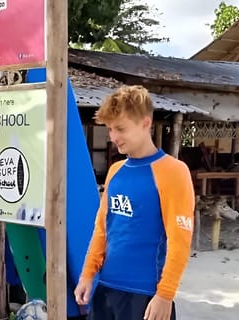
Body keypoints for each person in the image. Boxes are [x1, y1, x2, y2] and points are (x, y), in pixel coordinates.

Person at [74, 85, 194, 320]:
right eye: (109, 129)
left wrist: (165, 295)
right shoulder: (115, 171)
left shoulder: (174, 172)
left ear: (145, 123)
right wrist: (87, 274)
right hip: (106, 290)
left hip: (145, 296)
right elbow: (102, 229)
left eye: (120, 128)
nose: (113, 137)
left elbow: (180, 241)